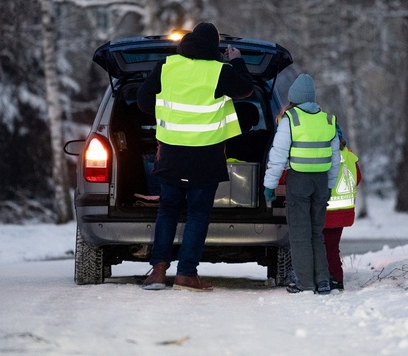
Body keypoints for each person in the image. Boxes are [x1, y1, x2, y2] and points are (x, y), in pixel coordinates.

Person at [137, 22, 254, 292]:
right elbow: (246, 89)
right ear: (215, 46)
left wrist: (169, 116)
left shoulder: (167, 66)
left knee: (167, 210)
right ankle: (186, 274)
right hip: (205, 155)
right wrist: (237, 61)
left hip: (170, 153)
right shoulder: (219, 70)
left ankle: (157, 271)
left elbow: (143, 101)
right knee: (198, 214)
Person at [263, 73, 340, 294]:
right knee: (317, 233)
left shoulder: (291, 119)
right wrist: (329, 186)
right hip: (321, 181)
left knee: (299, 233)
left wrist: (269, 186)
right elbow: (335, 159)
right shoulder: (328, 120)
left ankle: (305, 282)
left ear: (293, 97)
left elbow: (277, 155)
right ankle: (323, 281)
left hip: (298, 181)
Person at [323, 127, 362, 291]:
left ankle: (331, 279)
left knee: (324, 247)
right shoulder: (349, 155)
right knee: (332, 247)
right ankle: (335, 278)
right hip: (343, 212)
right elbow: (357, 178)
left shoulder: (326, 156)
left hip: (327, 211)